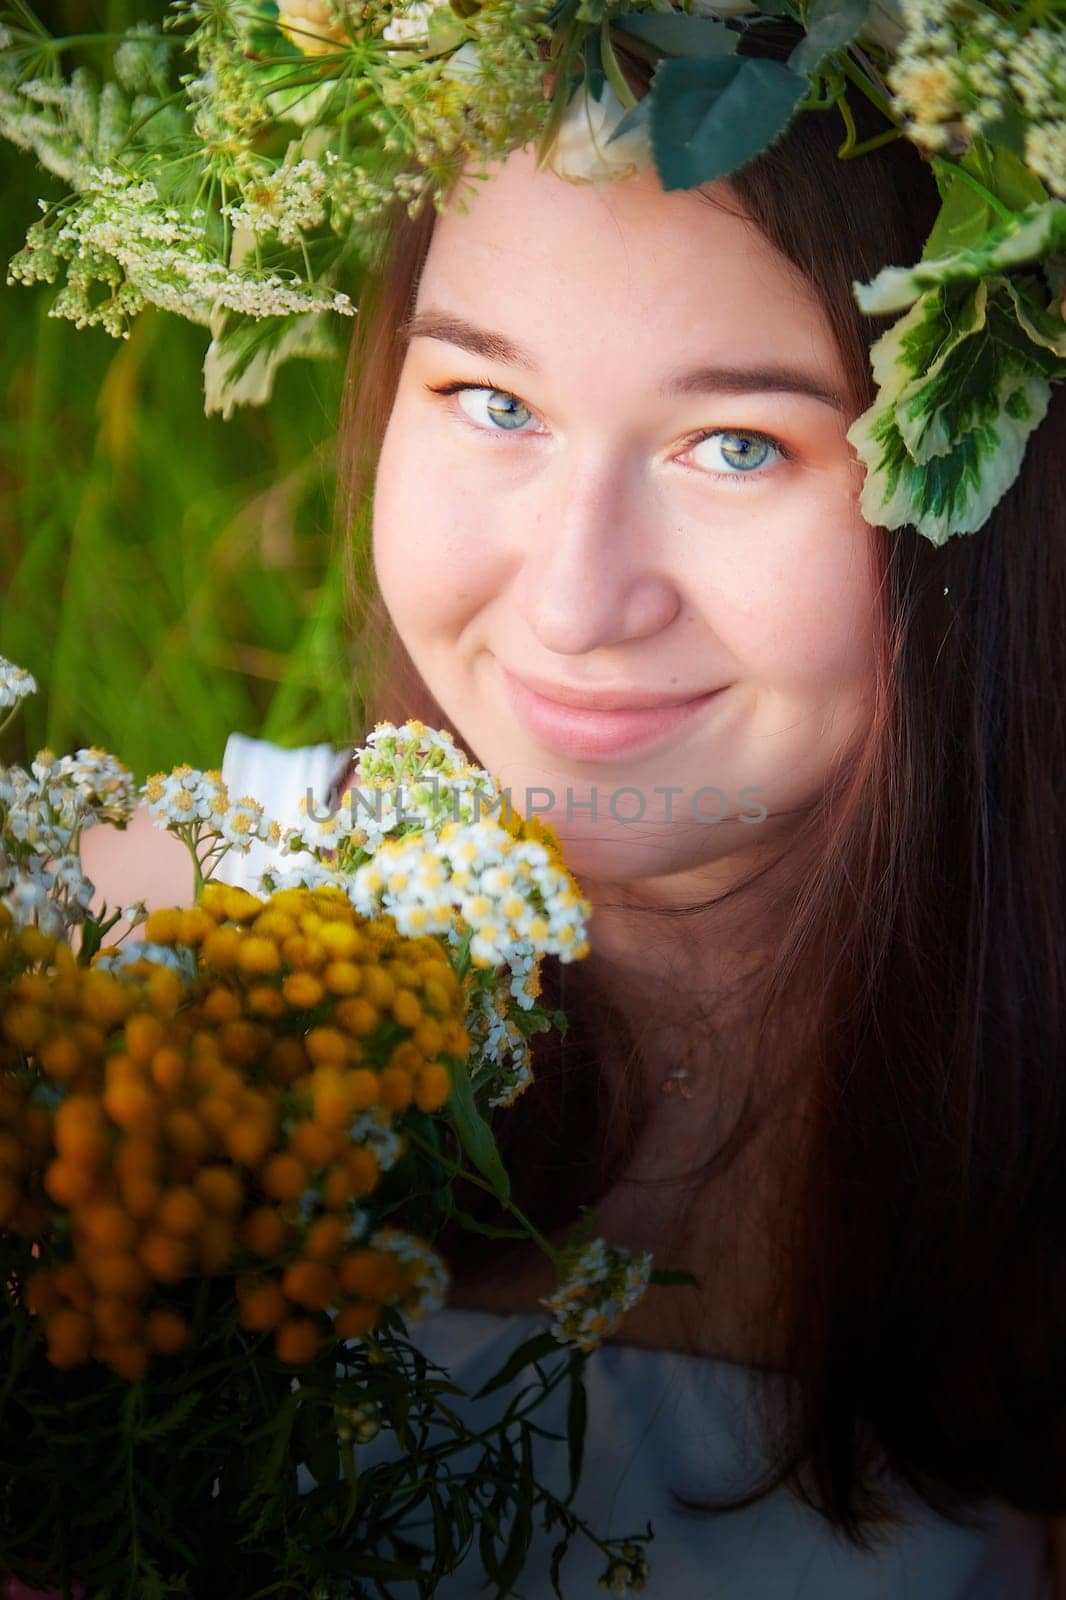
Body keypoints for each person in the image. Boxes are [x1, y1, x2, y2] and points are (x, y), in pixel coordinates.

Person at [79, 27, 1066, 1600]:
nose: (572, 599)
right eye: (491, 401)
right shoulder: (133, 953)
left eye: (737, 445)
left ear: (995, 470)